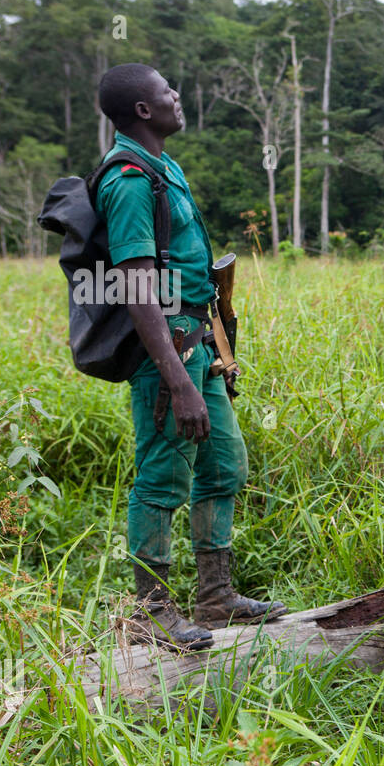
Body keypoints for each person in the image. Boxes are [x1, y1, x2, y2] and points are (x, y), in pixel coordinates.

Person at [95, 63, 286, 651]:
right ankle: (150, 612)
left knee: (223, 465)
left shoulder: (162, 168)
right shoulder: (128, 179)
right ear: (145, 111)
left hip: (198, 344)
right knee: (161, 476)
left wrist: (214, 352)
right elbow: (135, 285)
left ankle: (216, 595)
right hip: (167, 358)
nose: (177, 95)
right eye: (166, 91)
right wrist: (177, 382)